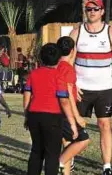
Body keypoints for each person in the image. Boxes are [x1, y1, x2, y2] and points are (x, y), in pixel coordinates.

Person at [69, 0, 112, 174]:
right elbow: (67, 63)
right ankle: (70, 158)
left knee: (104, 125)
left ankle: (107, 166)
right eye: (88, 9)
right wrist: (71, 87)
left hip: (104, 89)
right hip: (80, 88)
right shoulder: (76, 33)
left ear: (102, 11)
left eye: (95, 9)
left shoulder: (111, 33)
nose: (92, 12)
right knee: (73, 125)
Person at [23, 43, 78, 175]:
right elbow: (64, 101)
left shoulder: (33, 74)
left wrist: (27, 115)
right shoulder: (58, 76)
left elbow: (27, 95)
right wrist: (72, 123)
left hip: (34, 115)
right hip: (52, 117)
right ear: (59, 59)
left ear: (41, 58)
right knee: (52, 155)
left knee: (36, 151)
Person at [57, 36, 90, 175]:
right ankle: (57, 163)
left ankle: (64, 170)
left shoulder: (56, 66)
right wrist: (77, 118)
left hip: (54, 113)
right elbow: (69, 95)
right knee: (84, 140)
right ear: (72, 50)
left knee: (68, 146)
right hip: (66, 113)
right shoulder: (69, 70)